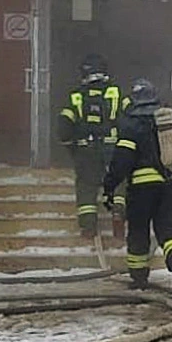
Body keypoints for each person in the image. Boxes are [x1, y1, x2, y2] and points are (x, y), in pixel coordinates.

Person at [103, 78, 172, 293]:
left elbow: (121, 162)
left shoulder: (130, 126)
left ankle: (139, 278)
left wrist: (110, 186)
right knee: (170, 231)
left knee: (138, 231)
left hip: (141, 190)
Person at [57, 53, 129, 244]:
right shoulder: (117, 93)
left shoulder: (76, 96)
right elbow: (129, 118)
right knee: (119, 180)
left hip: (85, 148)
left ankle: (88, 226)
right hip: (113, 147)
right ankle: (118, 212)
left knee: (86, 185)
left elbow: (64, 126)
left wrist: (70, 146)